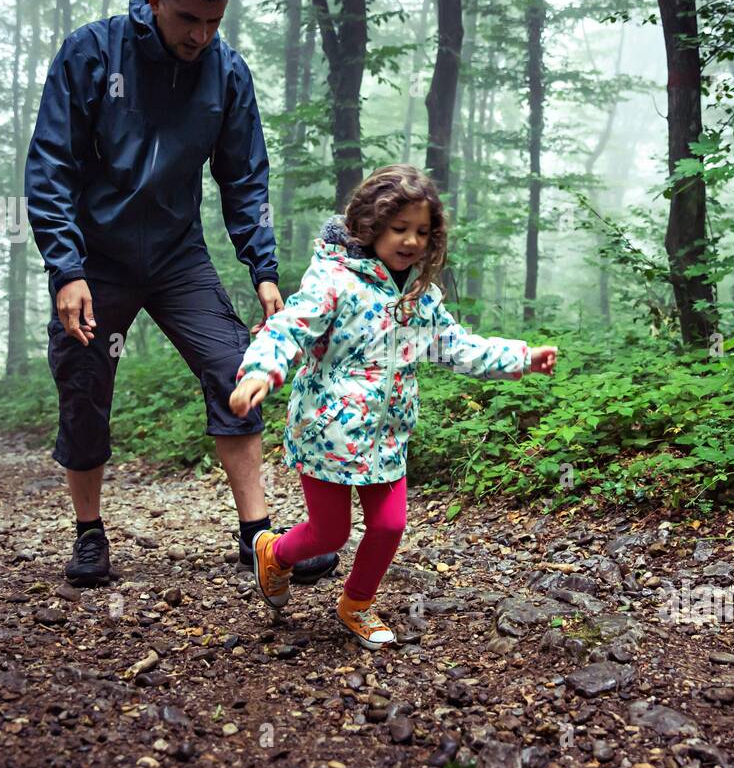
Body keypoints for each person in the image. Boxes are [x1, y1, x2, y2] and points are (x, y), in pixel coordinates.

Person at [25, 0, 338, 587]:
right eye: (188, 19)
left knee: (234, 368)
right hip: (96, 258)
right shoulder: (91, 54)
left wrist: (264, 270)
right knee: (85, 385)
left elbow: (245, 177)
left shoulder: (225, 72)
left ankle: (257, 537)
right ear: (155, 2)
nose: (200, 35)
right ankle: (89, 534)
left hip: (176, 255)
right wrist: (66, 268)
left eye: (213, 23)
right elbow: (50, 167)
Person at [229, 165, 558, 648]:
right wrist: (261, 370)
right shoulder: (335, 280)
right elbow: (289, 327)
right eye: (400, 228)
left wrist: (521, 358)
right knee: (329, 532)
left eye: (422, 232)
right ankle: (274, 553)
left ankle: (356, 603)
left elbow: (455, 346)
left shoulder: (419, 298)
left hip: (387, 433)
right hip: (327, 431)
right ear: (371, 224)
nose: (411, 241)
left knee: (390, 524)